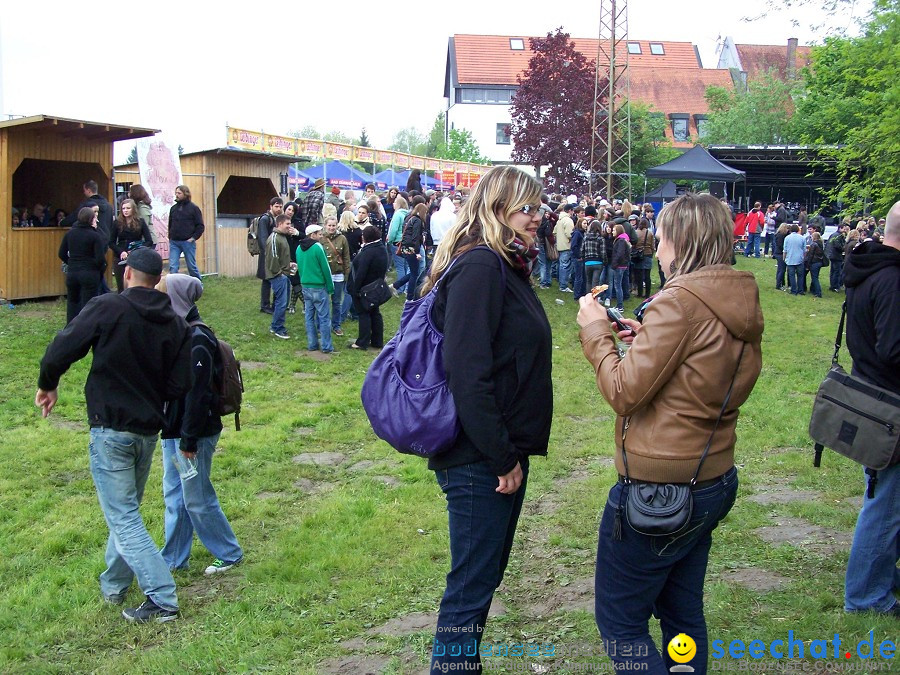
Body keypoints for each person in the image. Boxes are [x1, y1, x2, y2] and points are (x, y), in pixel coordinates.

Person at [577, 192, 763, 673]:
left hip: (662, 489)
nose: (656, 248)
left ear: (680, 242)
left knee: (621, 621)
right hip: (712, 476)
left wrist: (597, 333)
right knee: (682, 613)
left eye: (660, 239)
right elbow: (702, 374)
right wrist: (650, 342)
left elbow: (622, 391)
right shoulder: (734, 298)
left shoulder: (680, 302)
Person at [425, 166, 552, 673]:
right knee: (470, 590)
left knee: (480, 582)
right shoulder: (481, 266)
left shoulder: (506, 264)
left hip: (498, 452)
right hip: (479, 457)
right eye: (528, 209)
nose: (538, 218)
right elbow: (467, 373)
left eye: (539, 208)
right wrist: (502, 457)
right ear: (498, 210)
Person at [36, 247, 192, 623]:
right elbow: (179, 384)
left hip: (110, 428)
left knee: (123, 516)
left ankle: (163, 598)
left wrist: (48, 383)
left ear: (127, 275)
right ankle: (114, 585)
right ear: (158, 280)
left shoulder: (108, 307)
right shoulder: (175, 323)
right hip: (146, 431)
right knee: (127, 512)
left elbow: (62, 347)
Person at [157, 274, 244, 576]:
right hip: (174, 431)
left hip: (191, 434)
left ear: (177, 298)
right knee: (176, 496)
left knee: (196, 497)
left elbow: (197, 395)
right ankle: (173, 558)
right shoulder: (179, 332)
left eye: (163, 293)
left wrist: (188, 441)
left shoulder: (197, 339)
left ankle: (229, 553)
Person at [842, 199, 900, 617]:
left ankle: (880, 578)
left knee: (887, 498)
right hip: (890, 407)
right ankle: (866, 597)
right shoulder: (892, 278)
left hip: (874, 398)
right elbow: (894, 348)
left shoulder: (869, 267)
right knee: (885, 504)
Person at [59, 207, 108, 323]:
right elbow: (100, 259)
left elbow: (61, 253)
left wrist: (71, 263)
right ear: (91, 220)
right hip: (89, 273)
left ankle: (71, 329)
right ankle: (87, 330)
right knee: (88, 305)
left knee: (72, 302)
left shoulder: (70, 233)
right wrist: (98, 270)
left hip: (72, 273)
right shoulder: (95, 236)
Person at [346, 225, 388, 350]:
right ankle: (377, 340)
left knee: (363, 313)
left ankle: (362, 342)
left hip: (364, 288)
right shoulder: (381, 248)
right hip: (375, 287)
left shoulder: (369, 251)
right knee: (375, 313)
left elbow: (361, 272)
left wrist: (355, 289)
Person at [296, 224, 335, 353]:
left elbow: (300, 268)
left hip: (305, 286)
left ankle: (312, 344)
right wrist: (330, 287)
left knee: (309, 316)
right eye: (319, 233)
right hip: (319, 287)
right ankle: (326, 347)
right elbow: (325, 268)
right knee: (324, 317)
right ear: (312, 235)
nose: (321, 236)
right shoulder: (318, 247)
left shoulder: (298, 248)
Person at [110, 199, 154, 292]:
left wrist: (137, 250)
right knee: (121, 286)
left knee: (136, 285)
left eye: (128, 208)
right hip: (121, 256)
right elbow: (111, 242)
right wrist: (121, 251)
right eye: (123, 208)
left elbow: (149, 241)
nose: (125, 210)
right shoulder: (117, 223)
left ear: (133, 209)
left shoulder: (140, 222)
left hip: (136, 255)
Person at [265, 214, 296, 340]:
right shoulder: (274, 238)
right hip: (277, 275)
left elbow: (281, 256)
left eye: (290, 224)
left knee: (283, 302)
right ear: (279, 224)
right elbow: (272, 258)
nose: (289, 226)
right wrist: (280, 273)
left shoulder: (282, 237)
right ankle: (278, 328)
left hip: (283, 273)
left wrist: (289, 265)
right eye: (287, 224)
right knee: (281, 303)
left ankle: (275, 326)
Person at [320, 215, 350, 337]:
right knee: (324, 301)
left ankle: (336, 325)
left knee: (336, 302)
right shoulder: (320, 239)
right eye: (329, 225)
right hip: (325, 275)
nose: (331, 228)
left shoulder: (342, 238)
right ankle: (322, 325)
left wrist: (347, 273)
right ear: (325, 226)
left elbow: (346, 257)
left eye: (333, 225)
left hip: (338, 274)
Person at [167, 185, 204, 279]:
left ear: (185, 194)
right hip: (174, 242)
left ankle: (198, 284)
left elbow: (200, 226)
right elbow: (170, 223)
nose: (176, 195)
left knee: (191, 266)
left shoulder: (194, 208)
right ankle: (173, 287)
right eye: (176, 193)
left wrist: (193, 238)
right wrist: (170, 236)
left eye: (179, 193)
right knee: (173, 267)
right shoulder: (173, 209)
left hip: (187, 242)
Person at [391, 202, 426, 300]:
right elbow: (415, 237)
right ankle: (409, 297)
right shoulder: (418, 221)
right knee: (415, 273)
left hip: (405, 248)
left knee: (414, 272)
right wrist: (417, 252)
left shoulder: (408, 218)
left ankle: (396, 285)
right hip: (412, 249)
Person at [256, 198, 283, 315]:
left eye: (280, 206)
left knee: (271, 278)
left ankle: (271, 304)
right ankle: (265, 305)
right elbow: (262, 239)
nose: (279, 209)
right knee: (267, 280)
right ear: (271, 206)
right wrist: (268, 254)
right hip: (267, 254)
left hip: (272, 253)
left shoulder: (274, 219)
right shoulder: (265, 219)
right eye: (276, 206)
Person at [554, 204, 575, 292]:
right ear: (570, 210)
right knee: (565, 266)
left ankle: (561, 283)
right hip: (567, 246)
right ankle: (563, 286)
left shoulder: (559, 220)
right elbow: (570, 234)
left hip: (560, 245)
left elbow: (554, 232)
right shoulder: (568, 220)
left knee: (561, 265)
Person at [634, 217, 656, 298]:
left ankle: (639, 293)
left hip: (638, 255)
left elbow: (634, 244)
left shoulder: (636, 232)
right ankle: (647, 294)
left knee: (639, 275)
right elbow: (653, 245)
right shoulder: (649, 233)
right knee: (647, 275)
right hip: (648, 253)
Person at [783, 224, 806, 295]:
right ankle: (800, 290)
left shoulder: (787, 238)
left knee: (791, 276)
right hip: (799, 258)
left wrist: (784, 258)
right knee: (800, 276)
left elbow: (785, 250)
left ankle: (793, 290)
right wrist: (803, 258)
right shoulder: (802, 238)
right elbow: (804, 250)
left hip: (790, 258)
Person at [805, 231, 826, 298]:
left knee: (814, 278)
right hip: (819, 262)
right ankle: (814, 290)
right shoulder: (820, 243)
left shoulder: (814, 244)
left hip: (814, 262)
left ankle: (818, 292)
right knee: (815, 277)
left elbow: (810, 255)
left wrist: (808, 265)